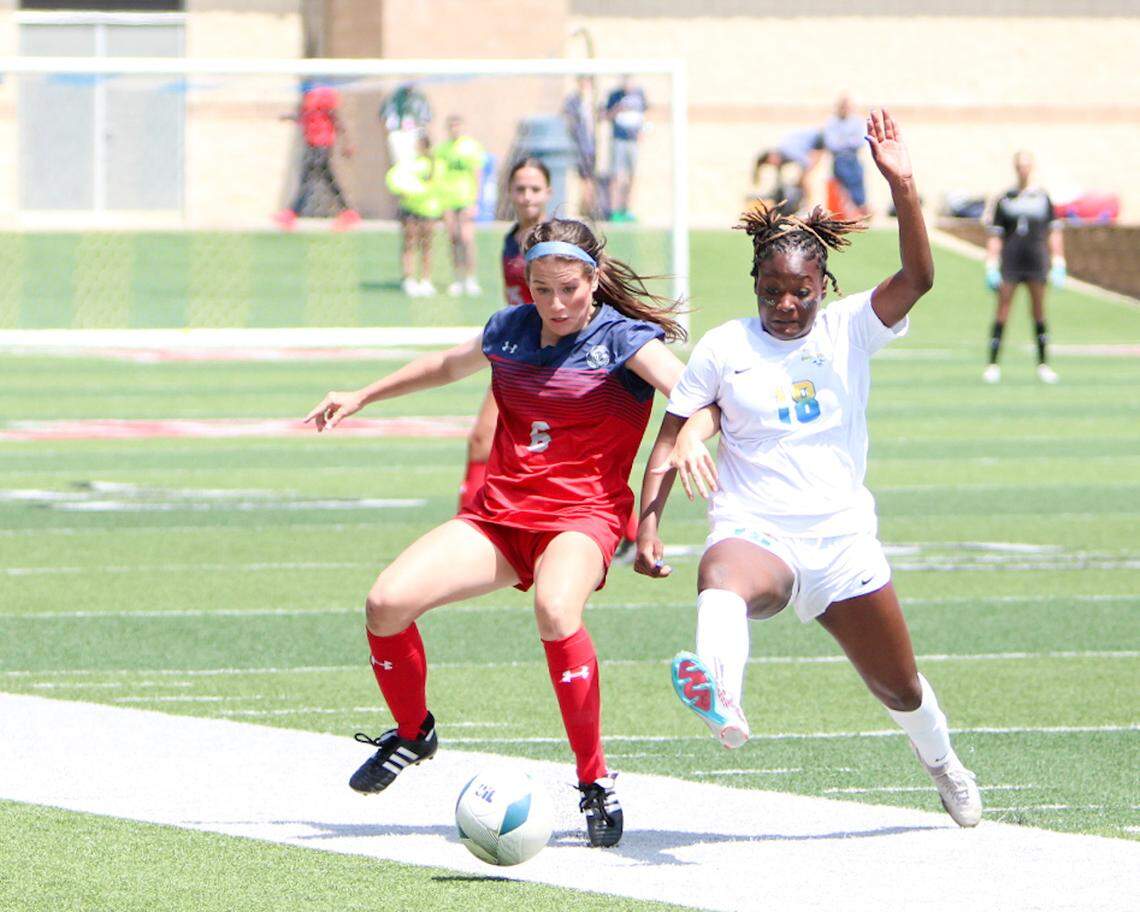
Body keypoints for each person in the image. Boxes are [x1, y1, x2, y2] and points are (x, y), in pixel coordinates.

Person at [636, 110, 982, 829]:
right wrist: (647, 527)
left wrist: (905, 188)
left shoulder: (849, 327)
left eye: (801, 291)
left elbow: (920, 275)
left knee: (901, 689)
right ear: (754, 283)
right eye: (772, 292)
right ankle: (722, 696)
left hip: (842, 542)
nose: (787, 305)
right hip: (757, 531)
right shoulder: (724, 347)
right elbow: (668, 441)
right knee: (721, 576)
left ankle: (943, 763)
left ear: (822, 282)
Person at [304, 217, 689, 848]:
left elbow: (697, 396)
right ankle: (411, 733)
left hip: (581, 518)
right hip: (500, 518)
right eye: (541, 289)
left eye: (568, 288)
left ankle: (594, 779)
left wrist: (656, 502)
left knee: (555, 609)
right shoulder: (509, 329)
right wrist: (363, 394)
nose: (556, 303)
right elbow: (442, 364)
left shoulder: (625, 340)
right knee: (385, 603)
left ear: (593, 280)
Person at [457, 158, 552, 512]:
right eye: (520, 189)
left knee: (566, 454)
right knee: (484, 441)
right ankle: (468, 527)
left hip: (553, 359)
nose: (527, 197)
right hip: (519, 356)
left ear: (549, 193)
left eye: (534, 189)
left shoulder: (558, 240)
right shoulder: (511, 240)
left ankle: (630, 532)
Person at [983, 150, 1065, 384]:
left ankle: (1043, 364)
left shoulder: (1042, 198)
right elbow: (995, 236)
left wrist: (1059, 261)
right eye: (1020, 165)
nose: (1023, 169)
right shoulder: (1005, 199)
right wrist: (991, 263)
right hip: (1011, 261)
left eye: (1027, 165)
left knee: (1038, 311)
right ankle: (993, 363)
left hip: (1036, 261)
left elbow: (1054, 232)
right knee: (1003, 311)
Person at [275, 85, 359, 231]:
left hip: (322, 144)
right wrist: (288, 118)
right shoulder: (307, 101)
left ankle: (292, 213)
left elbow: (336, 118)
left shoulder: (322, 98)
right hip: (312, 143)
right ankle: (348, 212)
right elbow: (306, 118)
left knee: (308, 177)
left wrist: (347, 142)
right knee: (326, 178)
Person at [436, 115, 487, 297]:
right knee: (453, 238)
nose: (454, 129)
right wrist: (441, 202)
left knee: (467, 238)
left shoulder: (471, 148)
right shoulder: (442, 150)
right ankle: (457, 278)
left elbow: (477, 175)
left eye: (457, 126)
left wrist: (475, 201)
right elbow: (439, 176)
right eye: (451, 126)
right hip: (449, 200)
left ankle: (471, 278)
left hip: (466, 199)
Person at [385, 133, 441, 297]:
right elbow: (394, 178)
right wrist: (401, 191)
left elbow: (438, 185)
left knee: (426, 245)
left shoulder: (435, 164)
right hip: (410, 209)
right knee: (409, 243)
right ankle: (408, 279)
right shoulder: (408, 163)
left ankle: (426, 279)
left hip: (428, 209)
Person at [604, 76, 648, 222]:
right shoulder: (615, 95)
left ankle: (627, 209)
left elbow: (645, 114)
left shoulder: (640, 94)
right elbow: (605, 115)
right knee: (616, 176)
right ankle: (614, 210)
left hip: (633, 141)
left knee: (632, 175)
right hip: (619, 140)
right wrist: (617, 109)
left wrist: (644, 130)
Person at [752, 128, 825, 214]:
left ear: (772, 154)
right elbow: (779, 182)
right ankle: (805, 206)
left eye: (771, 161)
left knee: (805, 180)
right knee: (800, 181)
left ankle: (810, 208)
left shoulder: (789, 151)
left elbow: (806, 162)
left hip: (818, 139)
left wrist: (801, 179)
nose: (773, 165)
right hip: (811, 143)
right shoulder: (780, 160)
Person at [822, 94, 870, 219]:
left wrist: (842, 140)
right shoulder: (831, 122)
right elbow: (831, 144)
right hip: (839, 160)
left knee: (858, 191)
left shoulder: (857, 121)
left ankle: (862, 216)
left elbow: (860, 141)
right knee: (842, 191)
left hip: (853, 159)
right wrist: (848, 140)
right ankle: (846, 216)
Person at [563, 76, 598, 218]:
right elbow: (568, 119)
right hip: (580, 147)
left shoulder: (593, 100)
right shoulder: (573, 101)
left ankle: (587, 209)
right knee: (584, 179)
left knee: (589, 179)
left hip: (592, 147)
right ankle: (583, 210)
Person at [380, 81, 432, 166]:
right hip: (398, 133)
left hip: (414, 133)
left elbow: (426, 118)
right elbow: (384, 117)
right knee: (400, 163)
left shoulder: (419, 98)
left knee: (416, 162)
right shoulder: (393, 98)